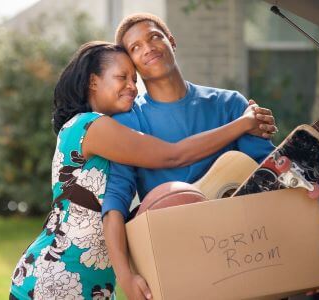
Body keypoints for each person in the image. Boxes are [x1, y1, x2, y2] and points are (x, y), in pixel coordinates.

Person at [9, 41, 276, 299]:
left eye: (134, 80)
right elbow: (173, 155)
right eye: (122, 77)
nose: (132, 87)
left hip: (93, 283)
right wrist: (242, 123)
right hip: (55, 280)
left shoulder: (95, 127)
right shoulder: (91, 126)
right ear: (93, 81)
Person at [100, 13, 280, 300]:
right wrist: (126, 277)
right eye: (135, 47)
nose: (147, 48)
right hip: (176, 259)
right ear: (131, 64)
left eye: (154, 36)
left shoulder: (230, 104)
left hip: (245, 254)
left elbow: (271, 178)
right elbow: (115, 203)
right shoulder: (128, 123)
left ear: (171, 40)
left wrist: (300, 257)